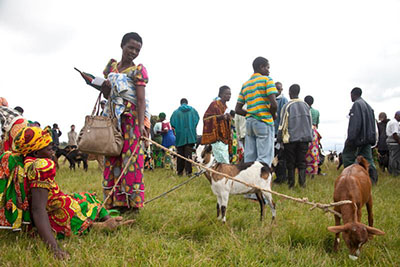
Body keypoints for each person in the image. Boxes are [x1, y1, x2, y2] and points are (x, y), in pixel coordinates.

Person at [1, 126, 133, 260]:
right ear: (35, 153)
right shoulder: (40, 168)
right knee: (86, 203)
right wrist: (55, 249)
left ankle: (109, 220)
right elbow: (38, 210)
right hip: (57, 214)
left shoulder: (24, 162)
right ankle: (102, 225)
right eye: (49, 149)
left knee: (86, 197)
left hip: (56, 204)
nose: (53, 152)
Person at [97, 32, 149, 212]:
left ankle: (131, 204)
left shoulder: (138, 71)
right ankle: (113, 202)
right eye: (131, 47)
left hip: (131, 121)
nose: (133, 52)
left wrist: (141, 125)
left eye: (137, 49)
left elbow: (141, 100)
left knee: (131, 160)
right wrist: (105, 90)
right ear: (122, 45)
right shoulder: (111, 68)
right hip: (113, 121)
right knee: (112, 157)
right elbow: (108, 96)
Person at [235, 57, 277, 166]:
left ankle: (248, 181)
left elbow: (237, 109)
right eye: (267, 67)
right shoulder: (267, 80)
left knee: (250, 156)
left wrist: (250, 113)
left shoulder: (246, 84)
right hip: (263, 121)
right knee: (264, 156)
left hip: (250, 123)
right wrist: (273, 115)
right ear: (261, 67)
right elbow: (274, 104)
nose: (269, 70)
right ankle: (261, 181)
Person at [277, 84, 313, 188]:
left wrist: (279, 139)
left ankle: (291, 184)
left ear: (290, 93)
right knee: (302, 162)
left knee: (290, 163)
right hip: (304, 139)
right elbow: (310, 123)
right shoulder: (306, 106)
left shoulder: (287, 106)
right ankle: (302, 184)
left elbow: (282, 123)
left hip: (291, 139)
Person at [342, 87, 378, 184]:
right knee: (368, 159)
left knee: (347, 156)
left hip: (358, 138)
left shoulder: (357, 105)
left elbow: (355, 124)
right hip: (367, 138)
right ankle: (373, 180)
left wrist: (351, 138)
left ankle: (349, 178)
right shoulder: (368, 106)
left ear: (353, 94)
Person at [201, 86, 232, 163]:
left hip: (224, 138)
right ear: (221, 94)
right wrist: (219, 117)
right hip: (217, 137)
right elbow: (206, 118)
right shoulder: (214, 104)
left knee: (223, 160)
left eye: (230, 94)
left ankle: (220, 174)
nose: (229, 96)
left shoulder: (226, 107)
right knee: (224, 161)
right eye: (226, 94)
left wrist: (228, 118)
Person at [170, 98, 199, 176]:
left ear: (180, 103)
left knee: (180, 155)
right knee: (188, 155)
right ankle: (189, 172)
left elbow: (172, 123)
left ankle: (180, 172)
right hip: (190, 136)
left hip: (180, 137)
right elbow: (197, 120)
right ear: (187, 103)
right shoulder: (193, 111)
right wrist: (192, 127)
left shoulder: (176, 113)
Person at [273, 82, 288, 184]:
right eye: (276, 89)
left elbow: (284, 117)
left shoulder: (283, 100)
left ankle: (281, 178)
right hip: (271, 133)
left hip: (279, 133)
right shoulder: (270, 100)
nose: (278, 91)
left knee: (281, 156)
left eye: (280, 89)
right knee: (274, 156)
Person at [304, 95, 320, 178]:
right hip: (314, 133)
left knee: (304, 152)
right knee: (313, 153)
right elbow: (317, 125)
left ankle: (303, 172)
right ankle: (313, 173)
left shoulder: (303, 111)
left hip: (304, 131)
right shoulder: (316, 112)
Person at [386, 111, 400, 176]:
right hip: (394, 142)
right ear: (396, 115)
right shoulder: (395, 123)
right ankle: (395, 173)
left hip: (390, 142)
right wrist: (399, 142)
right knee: (395, 158)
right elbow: (395, 134)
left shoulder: (390, 122)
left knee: (392, 157)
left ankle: (391, 171)